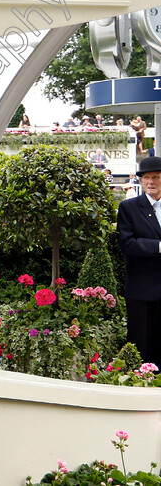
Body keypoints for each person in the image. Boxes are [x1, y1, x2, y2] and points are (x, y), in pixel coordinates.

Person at [117, 156, 161, 367]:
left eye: (156, 177)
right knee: (141, 345)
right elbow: (127, 244)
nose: (151, 182)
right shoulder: (129, 208)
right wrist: (158, 247)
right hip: (142, 290)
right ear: (141, 181)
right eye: (146, 178)